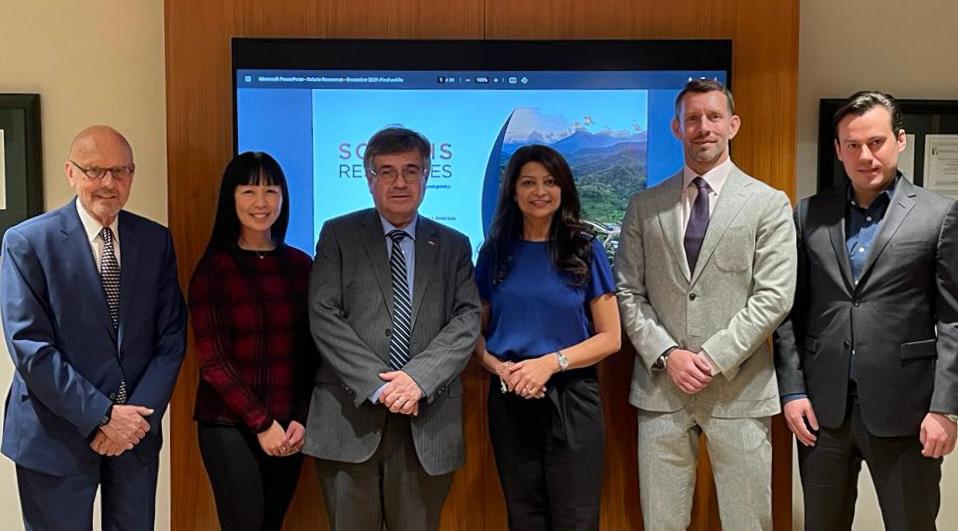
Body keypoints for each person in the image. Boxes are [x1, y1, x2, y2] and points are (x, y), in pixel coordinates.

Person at [614, 79, 796, 530]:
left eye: (714, 117)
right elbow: (628, 291)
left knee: (747, 522)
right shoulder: (644, 206)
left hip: (741, 389)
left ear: (733, 125)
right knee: (661, 523)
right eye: (692, 118)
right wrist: (667, 355)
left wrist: (712, 358)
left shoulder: (768, 204)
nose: (703, 127)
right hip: (662, 389)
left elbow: (774, 296)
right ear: (677, 128)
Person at [774, 91, 958, 530]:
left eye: (876, 142)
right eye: (853, 145)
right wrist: (792, 392)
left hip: (908, 410)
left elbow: (952, 318)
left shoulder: (939, 215)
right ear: (838, 149)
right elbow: (788, 312)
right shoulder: (809, 214)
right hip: (823, 410)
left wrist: (946, 408)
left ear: (900, 140)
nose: (865, 156)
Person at [0, 125, 187, 530]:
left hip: (135, 434)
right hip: (54, 434)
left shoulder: (155, 240)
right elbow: (30, 347)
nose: (108, 183)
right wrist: (102, 416)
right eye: (95, 171)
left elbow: (171, 338)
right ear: (71, 172)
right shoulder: (27, 242)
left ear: (132, 175)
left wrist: (134, 422)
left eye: (120, 171)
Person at [304, 127, 480, 531]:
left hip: (426, 421)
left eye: (411, 170)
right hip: (350, 420)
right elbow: (323, 314)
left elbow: (467, 318)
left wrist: (417, 380)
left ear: (426, 176)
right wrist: (380, 386)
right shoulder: (338, 234)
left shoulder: (453, 244)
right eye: (387, 171)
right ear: (369, 179)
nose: (400, 182)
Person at [473, 144, 620, 531]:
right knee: (524, 515)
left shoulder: (586, 249)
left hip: (572, 395)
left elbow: (611, 337)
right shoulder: (494, 253)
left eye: (550, 182)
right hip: (510, 394)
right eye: (528, 182)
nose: (540, 191)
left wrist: (549, 364)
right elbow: (474, 334)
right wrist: (502, 370)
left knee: (576, 517)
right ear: (513, 191)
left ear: (563, 189)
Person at [189, 152, 314, 531]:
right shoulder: (214, 270)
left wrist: (302, 418)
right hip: (228, 424)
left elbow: (311, 353)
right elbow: (214, 361)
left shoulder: (301, 266)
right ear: (231, 198)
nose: (261, 202)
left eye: (271, 190)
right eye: (248, 191)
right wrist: (262, 423)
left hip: (289, 423)